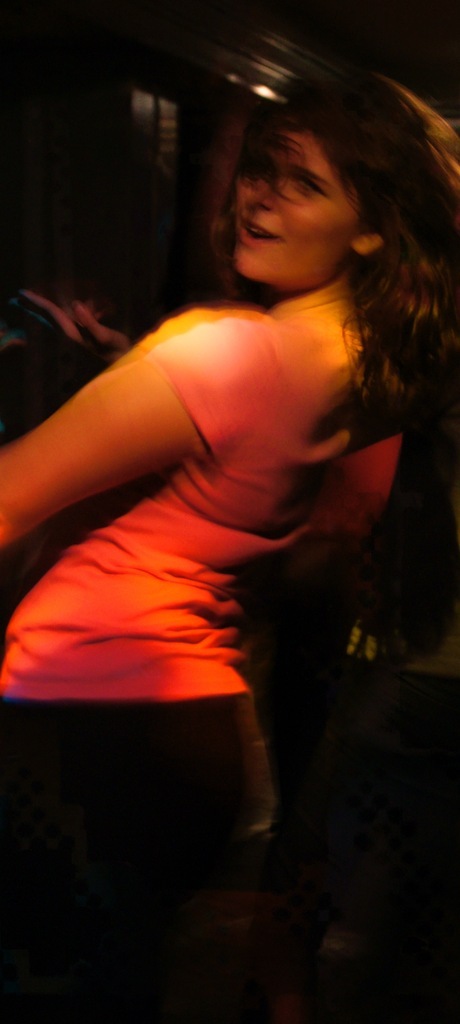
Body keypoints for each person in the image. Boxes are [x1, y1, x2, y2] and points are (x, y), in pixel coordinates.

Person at [0, 70, 459, 1023]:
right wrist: (133, 371)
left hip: (87, 723)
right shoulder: (364, 367)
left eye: (302, 183)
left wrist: (152, 369)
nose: (257, 198)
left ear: (371, 227)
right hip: (188, 734)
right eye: (259, 169)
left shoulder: (227, 352)